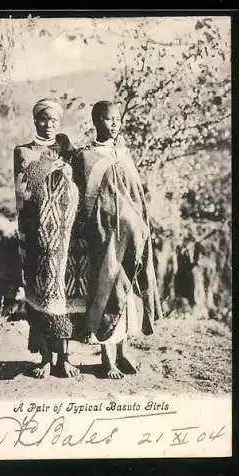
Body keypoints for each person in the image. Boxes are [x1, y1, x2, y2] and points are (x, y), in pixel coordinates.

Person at [74, 101, 162, 379]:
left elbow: (136, 193)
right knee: (107, 288)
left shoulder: (123, 153)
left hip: (130, 236)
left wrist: (138, 223)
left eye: (116, 119)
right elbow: (83, 199)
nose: (114, 124)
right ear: (96, 121)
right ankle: (106, 358)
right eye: (108, 119)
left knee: (126, 287)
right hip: (103, 236)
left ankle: (122, 352)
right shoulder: (86, 157)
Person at [13, 98, 81, 378]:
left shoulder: (67, 150)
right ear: (35, 120)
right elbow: (22, 192)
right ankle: (44, 357)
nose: (49, 125)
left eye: (54, 120)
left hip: (66, 234)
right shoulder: (23, 152)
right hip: (36, 235)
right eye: (44, 119)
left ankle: (64, 357)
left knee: (62, 294)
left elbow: (79, 184)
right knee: (40, 294)